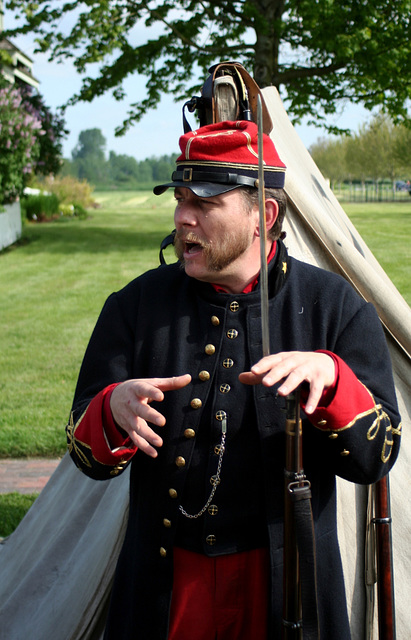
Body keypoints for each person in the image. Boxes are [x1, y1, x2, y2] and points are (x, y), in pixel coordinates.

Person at [66, 120, 401, 640]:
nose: (182, 219)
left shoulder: (336, 307)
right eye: (179, 201)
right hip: (166, 589)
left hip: (287, 590)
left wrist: (332, 380)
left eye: (204, 203)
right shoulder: (134, 306)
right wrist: (111, 409)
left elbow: (376, 458)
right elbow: (84, 453)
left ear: (262, 215)